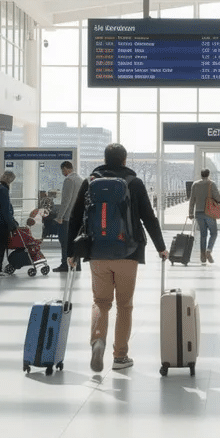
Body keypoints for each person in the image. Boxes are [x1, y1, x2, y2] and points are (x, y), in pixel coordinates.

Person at [66, 143, 168, 372]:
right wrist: (161, 247)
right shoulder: (134, 183)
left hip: (97, 252)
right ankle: (120, 356)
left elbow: (74, 218)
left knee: (101, 302)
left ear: (105, 159)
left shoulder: (90, 182)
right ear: (124, 160)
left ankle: (98, 340)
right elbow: (148, 218)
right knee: (124, 305)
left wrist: (70, 253)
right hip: (128, 252)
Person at [188, 168, 220, 265]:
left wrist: (191, 213)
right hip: (209, 212)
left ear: (201, 175)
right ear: (208, 174)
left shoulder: (195, 184)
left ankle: (202, 255)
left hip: (198, 213)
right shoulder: (211, 184)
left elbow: (192, 200)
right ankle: (209, 250)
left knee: (203, 234)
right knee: (214, 233)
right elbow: (218, 198)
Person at [54, 161, 83, 274]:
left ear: (66, 169)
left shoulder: (69, 180)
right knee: (76, 242)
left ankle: (65, 265)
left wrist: (60, 216)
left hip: (68, 218)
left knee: (65, 242)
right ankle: (77, 264)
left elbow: (66, 200)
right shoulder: (80, 179)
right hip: (78, 217)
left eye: (63, 170)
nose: (62, 173)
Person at [0, 171, 18, 277]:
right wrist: (12, 223)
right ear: (9, 180)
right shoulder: (4, 190)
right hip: (2, 223)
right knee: (1, 246)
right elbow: (5, 209)